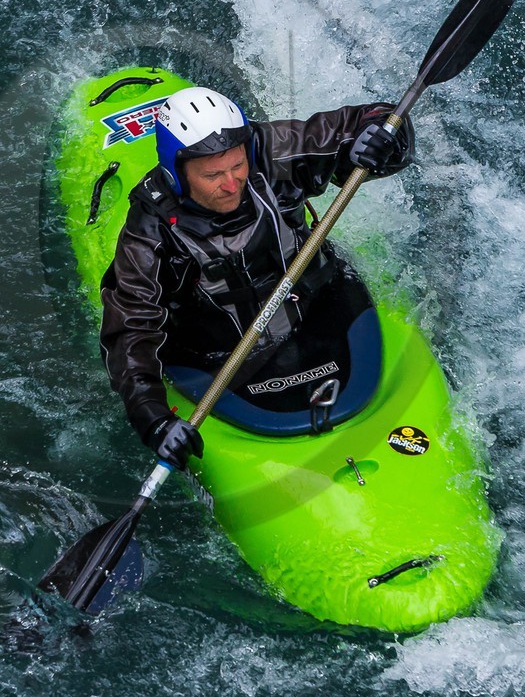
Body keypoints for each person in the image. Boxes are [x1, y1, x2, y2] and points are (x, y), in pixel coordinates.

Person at [99, 86, 414, 468]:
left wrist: (382, 138)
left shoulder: (269, 149)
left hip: (312, 309)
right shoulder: (148, 232)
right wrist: (153, 419)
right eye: (212, 174)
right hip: (220, 351)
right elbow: (130, 329)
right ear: (177, 172)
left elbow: (374, 119)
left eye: (237, 167)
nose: (232, 184)